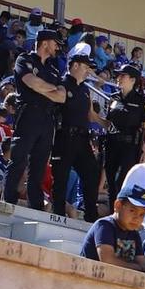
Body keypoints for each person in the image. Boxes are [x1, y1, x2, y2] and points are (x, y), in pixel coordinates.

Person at [4, 26, 65, 211]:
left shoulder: (53, 68)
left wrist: (42, 88)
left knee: (39, 165)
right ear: (45, 43)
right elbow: (30, 81)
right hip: (28, 113)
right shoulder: (25, 59)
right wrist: (50, 89)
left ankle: (36, 205)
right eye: (55, 43)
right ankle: (8, 200)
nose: (57, 47)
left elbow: (61, 96)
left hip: (47, 118)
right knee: (19, 159)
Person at [54, 47, 101, 218]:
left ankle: (91, 216)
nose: (88, 70)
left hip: (82, 138)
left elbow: (91, 114)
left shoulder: (85, 90)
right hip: (65, 136)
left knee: (91, 174)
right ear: (74, 66)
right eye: (85, 66)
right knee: (61, 177)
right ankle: (57, 214)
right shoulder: (61, 84)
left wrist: (106, 123)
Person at [98, 63, 145, 215]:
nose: (119, 78)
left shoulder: (142, 100)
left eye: (123, 76)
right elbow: (109, 123)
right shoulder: (113, 98)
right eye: (118, 75)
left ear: (133, 80)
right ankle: (113, 215)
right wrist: (95, 117)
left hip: (130, 146)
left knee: (121, 181)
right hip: (111, 144)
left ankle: (120, 213)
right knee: (110, 181)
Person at [79, 183, 145, 271]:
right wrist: (138, 268)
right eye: (132, 211)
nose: (137, 218)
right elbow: (108, 261)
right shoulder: (104, 226)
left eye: (142, 215)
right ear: (117, 206)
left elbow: (143, 264)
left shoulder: (134, 234)